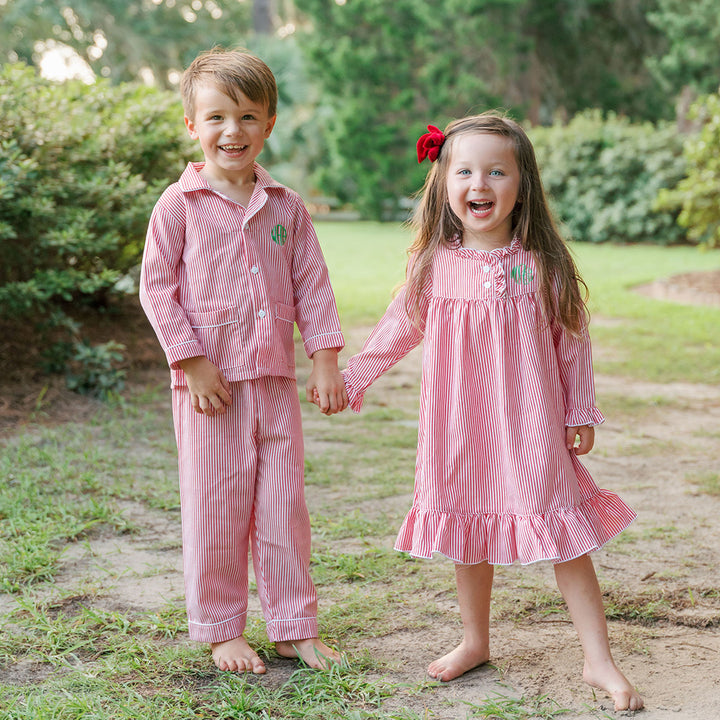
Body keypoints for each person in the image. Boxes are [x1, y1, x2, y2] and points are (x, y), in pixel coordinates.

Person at [340, 113, 644, 711]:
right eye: (465, 171)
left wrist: (578, 409)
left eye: (497, 171)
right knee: (468, 529)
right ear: (444, 182)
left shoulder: (542, 266)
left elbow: (572, 339)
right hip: (459, 427)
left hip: (531, 425)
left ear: (521, 184)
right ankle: (474, 639)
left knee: (563, 535)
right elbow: (403, 323)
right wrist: (358, 372)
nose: (480, 183)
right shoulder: (433, 262)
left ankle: (597, 660)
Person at [139, 48, 347, 675]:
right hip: (211, 389)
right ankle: (222, 627)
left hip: (275, 384)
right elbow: (156, 289)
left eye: (249, 116)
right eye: (217, 117)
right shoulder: (179, 206)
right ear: (192, 126)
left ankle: (293, 627)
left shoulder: (286, 207)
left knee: (285, 505)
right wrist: (191, 361)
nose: (234, 131)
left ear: (270, 124)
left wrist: (326, 357)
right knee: (217, 508)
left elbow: (312, 282)